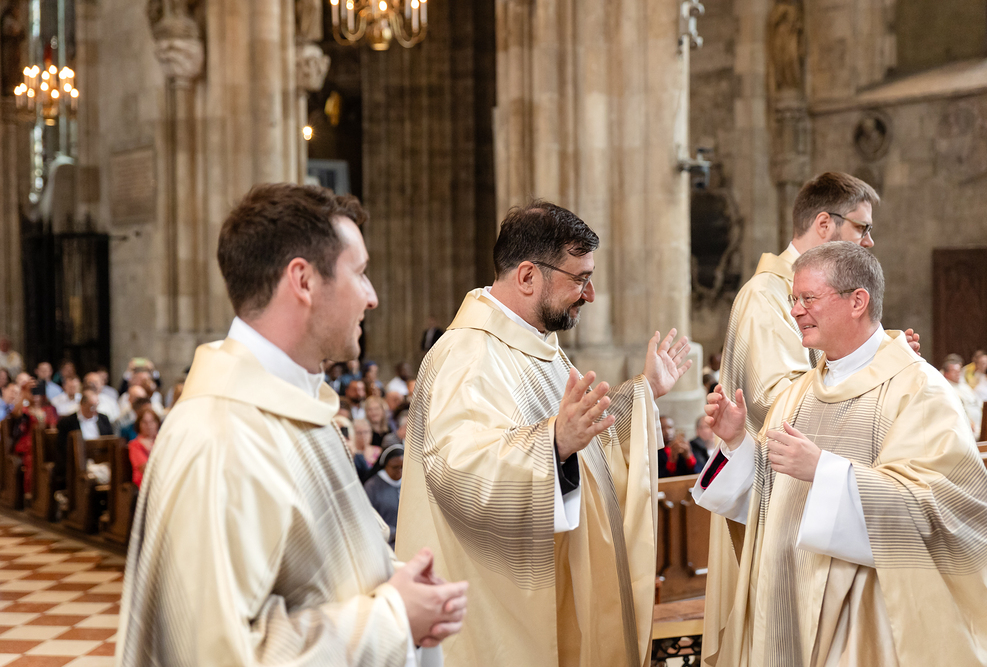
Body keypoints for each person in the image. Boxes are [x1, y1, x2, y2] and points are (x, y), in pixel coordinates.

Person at [117, 183, 467, 666]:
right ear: (303, 280)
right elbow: (220, 655)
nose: (372, 297)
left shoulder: (298, 406)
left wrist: (397, 582)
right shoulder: (222, 437)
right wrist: (394, 618)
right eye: (360, 273)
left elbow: (319, 576)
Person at [396, 200, 692, 667]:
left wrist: (644, 392)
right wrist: (553, 443)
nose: (590, 294)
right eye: (580, 279)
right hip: (499, 616)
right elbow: (459, 472)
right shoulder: (468, 354)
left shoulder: (536, 346)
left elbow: (587, 444)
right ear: (528, 276)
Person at [695, 242, 987, 665]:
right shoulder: (796, 394)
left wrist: (824, 471)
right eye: (794, 299)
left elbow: (950, 510)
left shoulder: (919, 390)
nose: (795, 311)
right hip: (782, 603)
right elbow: (766, 498)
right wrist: (736, 444)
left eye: (808, 298)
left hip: (862, 621)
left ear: (858, 301)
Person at [701, 171, 922, 660]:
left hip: (822, 510)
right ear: (825, 223)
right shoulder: (765, 295)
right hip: (777, 501)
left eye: (808, 301)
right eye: (862, 227)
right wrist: (874, 364)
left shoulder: (915, 382)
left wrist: (880, 359)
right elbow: (785, 405)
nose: (870, 240)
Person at [53, 388, 114, 492]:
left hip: (102, 461)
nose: (95, 410)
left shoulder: (103, 419)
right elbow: (63, 448)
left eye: (96, 405)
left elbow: (111, 441)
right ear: (82, 404)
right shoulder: (67, 422)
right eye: (92, 406)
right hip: (79, 463)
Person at [365, 444, 404, 549]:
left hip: (407, 540)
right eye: (395, 467)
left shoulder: (408, 483)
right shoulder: (372, 487)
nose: (400, 471)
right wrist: (394, 533)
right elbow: (368, 518)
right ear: (385, 465)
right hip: (384, 544)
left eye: (403, 467)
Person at [942, 354, 983, 438]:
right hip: (966, 429)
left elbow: (977, 402)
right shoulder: (945, 389)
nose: (958, 374)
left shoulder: (964, 386)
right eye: (954, 371)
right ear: (946, 373)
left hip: (980, 425)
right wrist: (968, 423)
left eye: (959, 371)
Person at [127, 406, 160, 487]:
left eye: (152, 422)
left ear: (157, 423)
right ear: (139, 424)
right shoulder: (134, 445)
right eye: (144, 422)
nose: (149, 425)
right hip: (145, 484)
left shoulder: (162, 441)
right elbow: (145, 468)